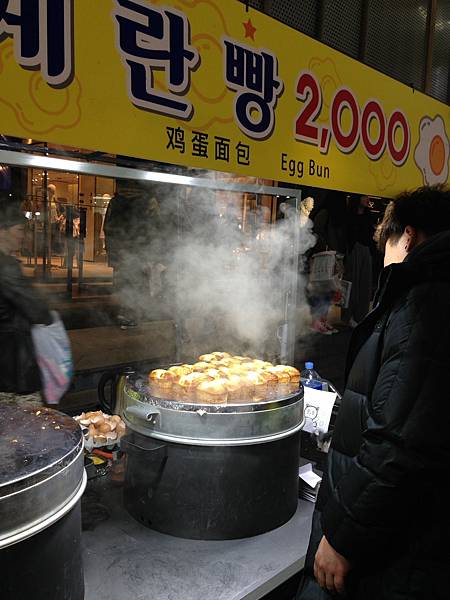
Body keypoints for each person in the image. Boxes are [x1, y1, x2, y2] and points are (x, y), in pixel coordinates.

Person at [297, 185, 450, 600]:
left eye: (386, 240)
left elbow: (399, 444)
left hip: (392, 550)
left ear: (410, 236)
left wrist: (343, 538)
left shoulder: (426, 304)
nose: (383, 253)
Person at [0, 193, 52, 406]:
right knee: (29, 427)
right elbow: (38, 311)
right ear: (2, 232)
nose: (23, 236)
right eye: (20, 230)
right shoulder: (6, 267)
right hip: (12, 366)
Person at [307, 191, 347, 335]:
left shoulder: (327, 213)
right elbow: (318, 231)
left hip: (328, 256)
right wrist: (328, 248)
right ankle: (317, 322)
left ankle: (320, 321)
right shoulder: (327, 214)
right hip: (325, 256)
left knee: (326, 290)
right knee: (322, 290)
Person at [341, 195, 374, 327]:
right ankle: (348, 316)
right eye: (364, 196)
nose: (368, 199)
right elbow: (346, 235)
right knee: (352, 284)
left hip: (366, 250)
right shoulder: (349, 215)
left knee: (365, 284)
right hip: (354, 249)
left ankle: (360, 316)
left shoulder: (368, 215)